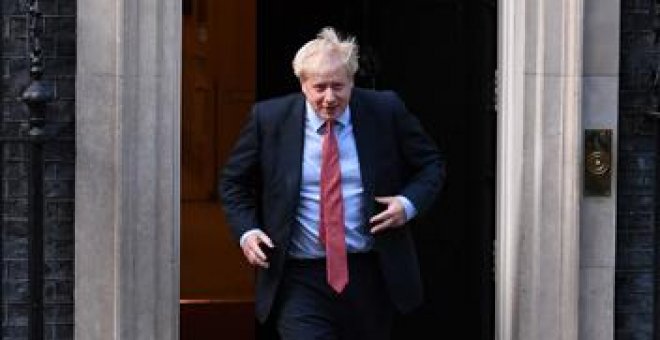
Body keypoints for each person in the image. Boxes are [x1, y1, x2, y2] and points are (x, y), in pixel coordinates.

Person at [220, 27, 445, 340]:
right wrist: (248, 230)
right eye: (319, 87)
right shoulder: (269, 119)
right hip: (300, 278)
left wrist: (406, 204)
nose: (329, 98)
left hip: (371, 274)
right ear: (302, 84)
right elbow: (234, 183)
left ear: (352, 81)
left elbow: (431, 165)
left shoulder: (385, 110)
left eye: (338, 86)